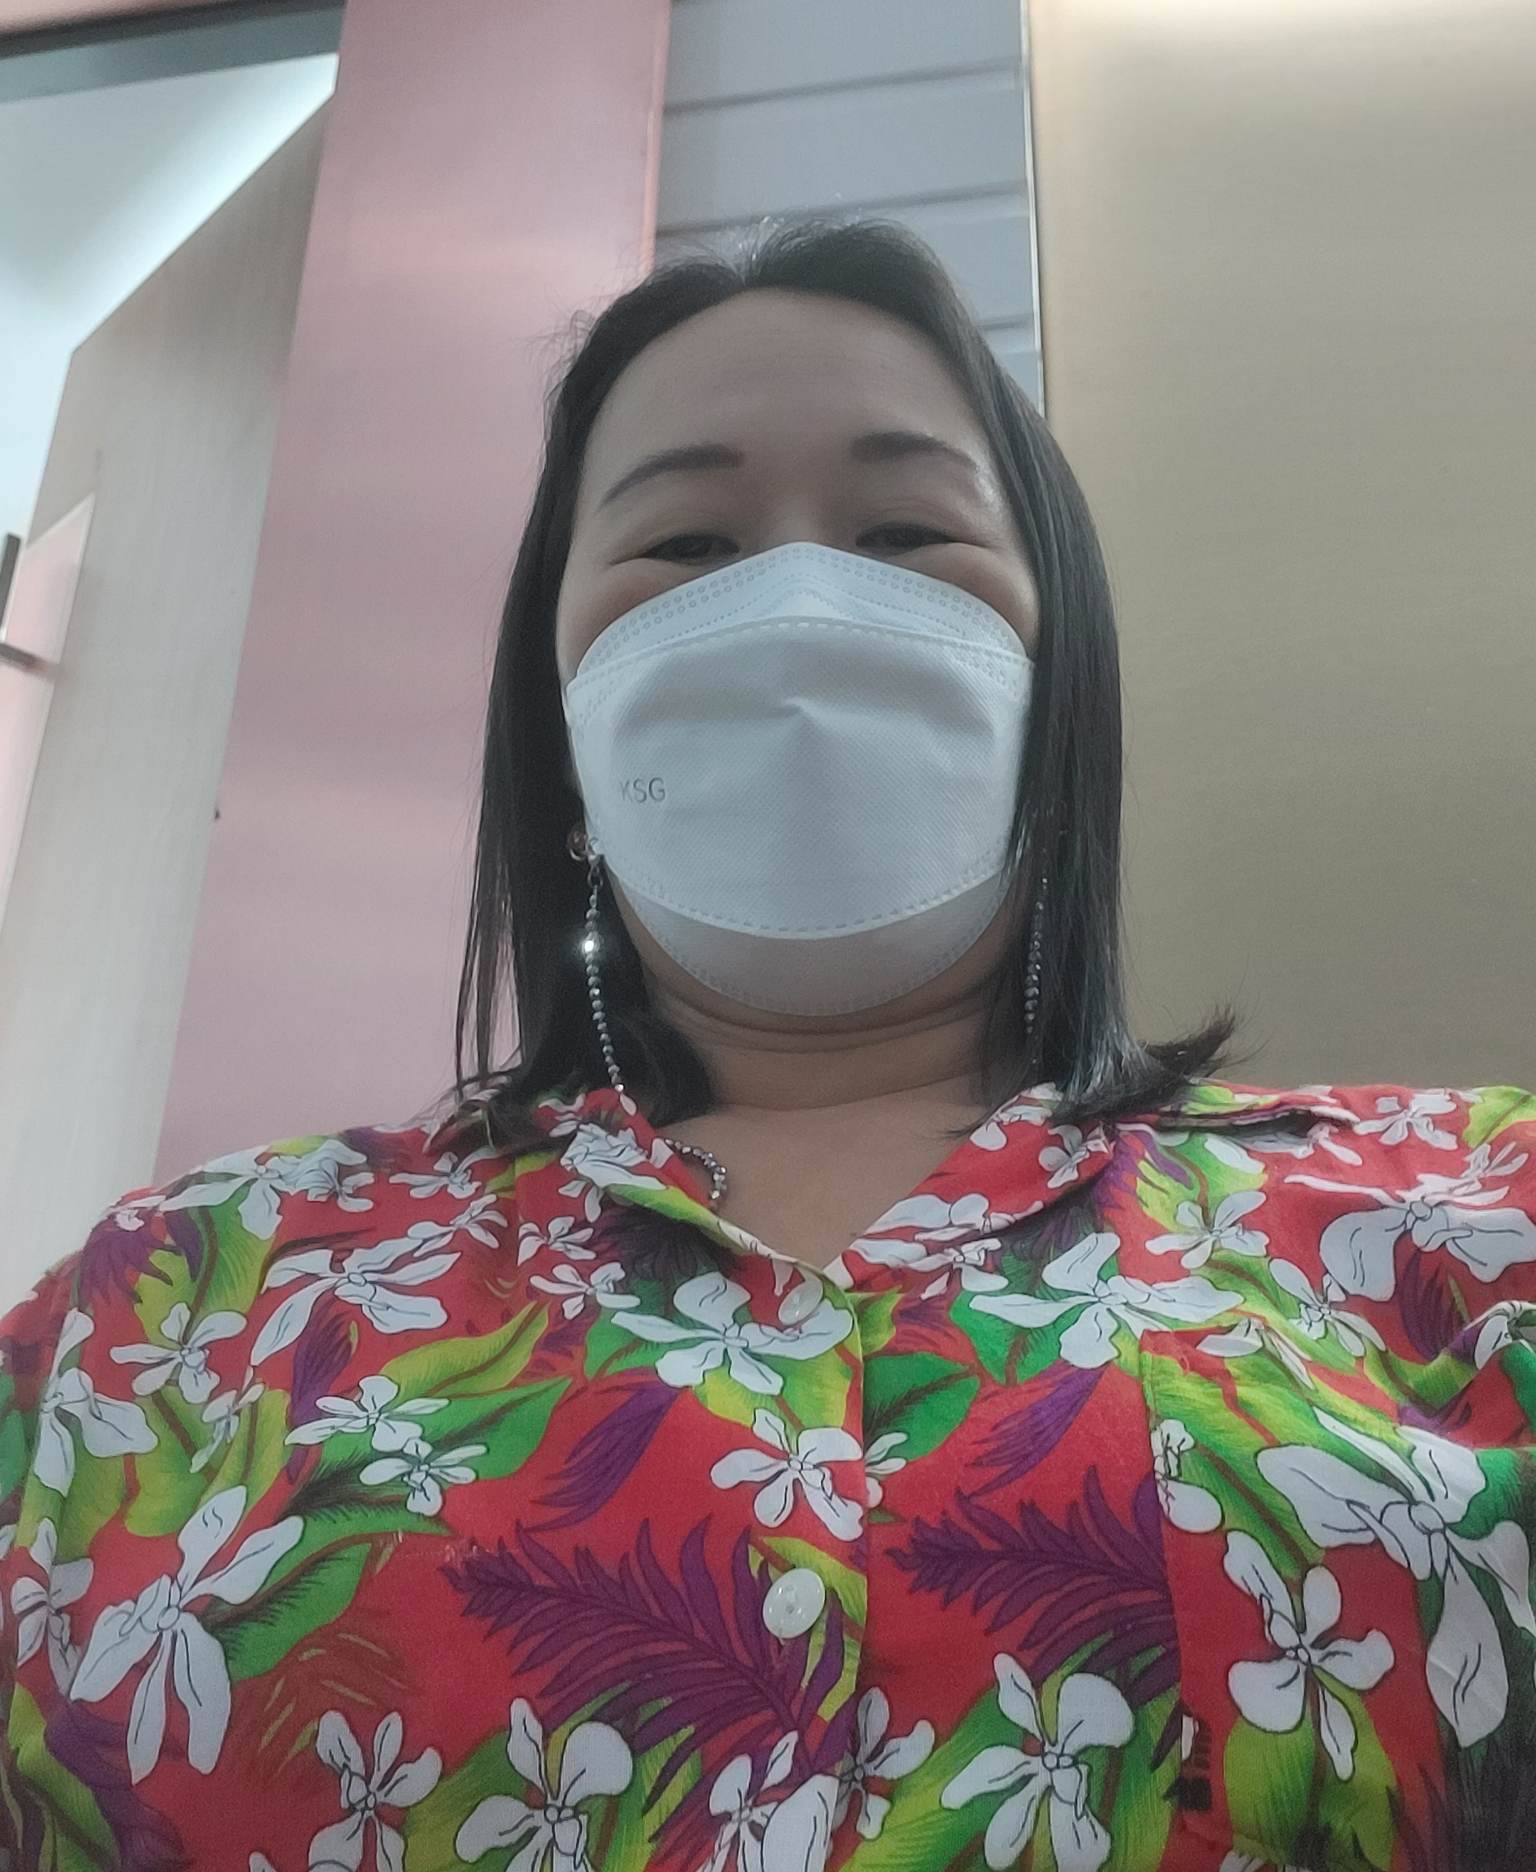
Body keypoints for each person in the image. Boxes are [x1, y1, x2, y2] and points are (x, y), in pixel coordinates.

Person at [2, 219, 1533, 1872]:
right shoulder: (170, 1304)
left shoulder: (1475, 1226)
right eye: (685, 544)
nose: (801, 603)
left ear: (1060, 679)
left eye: (903, 530)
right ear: (560, 722)